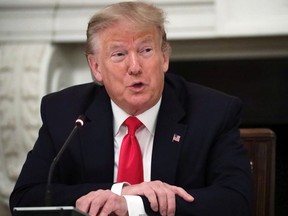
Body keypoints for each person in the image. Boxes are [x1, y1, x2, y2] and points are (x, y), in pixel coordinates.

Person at [10, 1, 252, 215]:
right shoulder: (65, 111)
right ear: (96, 68)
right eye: (119, 54)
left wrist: (135, 206)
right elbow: (25, 198)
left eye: (146, 50)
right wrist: (120, 192)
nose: (135, 66)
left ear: (164, 58)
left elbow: (236, 201)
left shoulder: (213, 112)